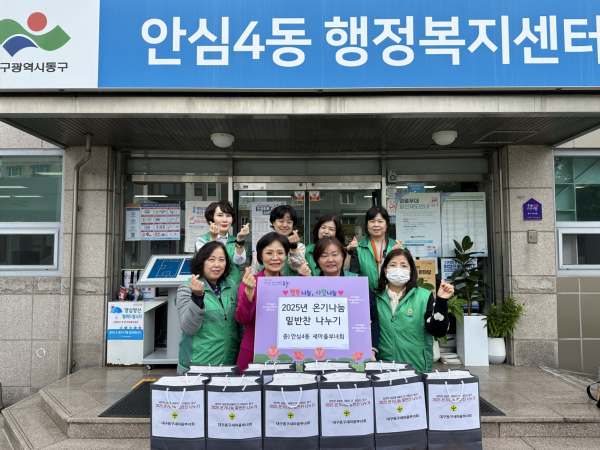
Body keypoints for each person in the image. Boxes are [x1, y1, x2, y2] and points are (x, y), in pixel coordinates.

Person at [370, 248, 453, 372]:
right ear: (385, 271)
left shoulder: (424, 297)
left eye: (404, 265)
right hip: (382, 369)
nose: (398, 269)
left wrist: (441, 301)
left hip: (415, 369)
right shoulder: (374, 298)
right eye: (393, 265)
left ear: (410, 272)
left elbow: (438, 331)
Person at [237, 232, 300, 373]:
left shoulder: (292, 285)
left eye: (280, 253)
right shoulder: (250, 282)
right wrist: (249, 291)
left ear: (286, 255)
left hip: (285, 351)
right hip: (252, 350)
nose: (275, 257)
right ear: (260, 256)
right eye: (269, 253)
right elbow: (242, 319)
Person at [175, 241, 242, 374]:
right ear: (201, 262)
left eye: (221, 260)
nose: (217, 264)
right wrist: (197, 297)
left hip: (230, 364)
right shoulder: (186, 288)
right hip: (197, 366)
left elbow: (239, 326)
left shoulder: (232, 286)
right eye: (211, 259)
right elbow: (188, 328)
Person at [349, 206, 403, 290]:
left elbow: (406, 275)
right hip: (367, 295)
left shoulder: (398, 248)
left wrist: (401, 255)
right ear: (367, 225)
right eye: (372, 221)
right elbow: (353, 277)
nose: (376, 225)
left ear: (386, 224)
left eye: (380, 221)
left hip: (392, 295)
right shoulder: (358, 249)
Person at [195, 200, 249, 285]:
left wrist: (240, 240)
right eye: (220, 215)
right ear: (211, 218)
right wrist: (213, 237)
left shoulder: (235, 240)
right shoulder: (202, 240)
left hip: (233, 287)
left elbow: (240, 261)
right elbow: (209, 260)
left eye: (228, 216)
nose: (224, 220)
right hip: (210, 287)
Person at [251, 205, 305, 276]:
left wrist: (293, 247)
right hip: (265, 283)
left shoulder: (299, 246)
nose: (285, 225)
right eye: (281, 221)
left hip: (289, 283)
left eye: (289, 222)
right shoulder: (263, 244)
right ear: (273, 222)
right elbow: (254, 270)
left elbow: (297, 267)